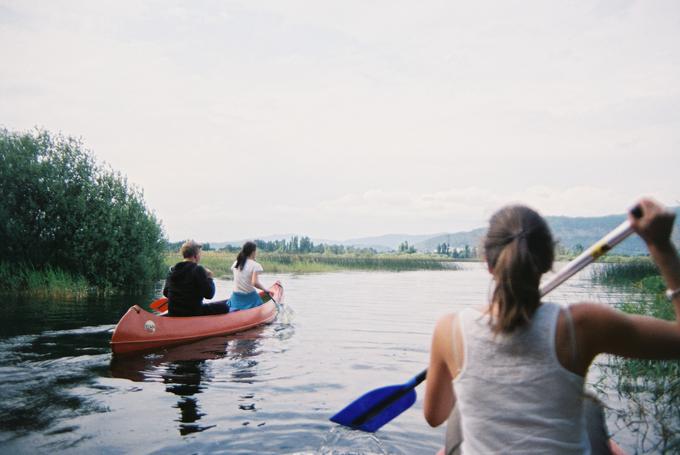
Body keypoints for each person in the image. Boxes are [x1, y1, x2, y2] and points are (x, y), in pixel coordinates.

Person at [423, 198, 680, 454]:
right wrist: (661, 246)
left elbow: (434, 416)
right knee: (587, 408)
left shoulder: (449, 329)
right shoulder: (583, 324)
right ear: (548, 262)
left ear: (488, 264)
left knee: (458, 415)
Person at [163, 240, 229, 316]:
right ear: (196, 255)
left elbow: (165, 292)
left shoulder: (172, 269)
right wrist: (210, 278)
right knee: (224, 307)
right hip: (193, 312)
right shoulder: (198, 269)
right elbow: (209, 295)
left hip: (173, 312)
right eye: (200, 253)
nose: (200, 256)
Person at [228, 241, 276, 311]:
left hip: (236, 297)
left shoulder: (236, 263)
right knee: (260, 303)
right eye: (255, 251)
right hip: (249, 298)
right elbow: (254, 283)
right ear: (253, 252)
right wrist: (265, 289)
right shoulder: (255, 265)